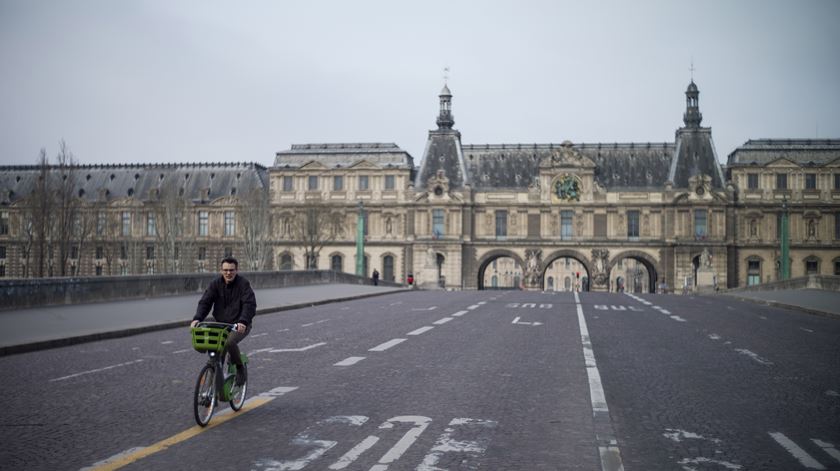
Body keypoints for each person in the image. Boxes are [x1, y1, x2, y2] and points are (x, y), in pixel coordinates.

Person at [191, 257, 256, 385]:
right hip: (220, 324)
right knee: (216, 355)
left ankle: (239, 368)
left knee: (229, 342)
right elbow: (205, 302)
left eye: (231, 270)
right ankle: (211, 393)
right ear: (221, 270)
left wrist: (243, 321)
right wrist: (197, 318)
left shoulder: (243, 284)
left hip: (239, 324)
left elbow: (250, 304)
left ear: (236, 270)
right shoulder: (215, 284)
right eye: (225, 270)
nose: (228, 273)